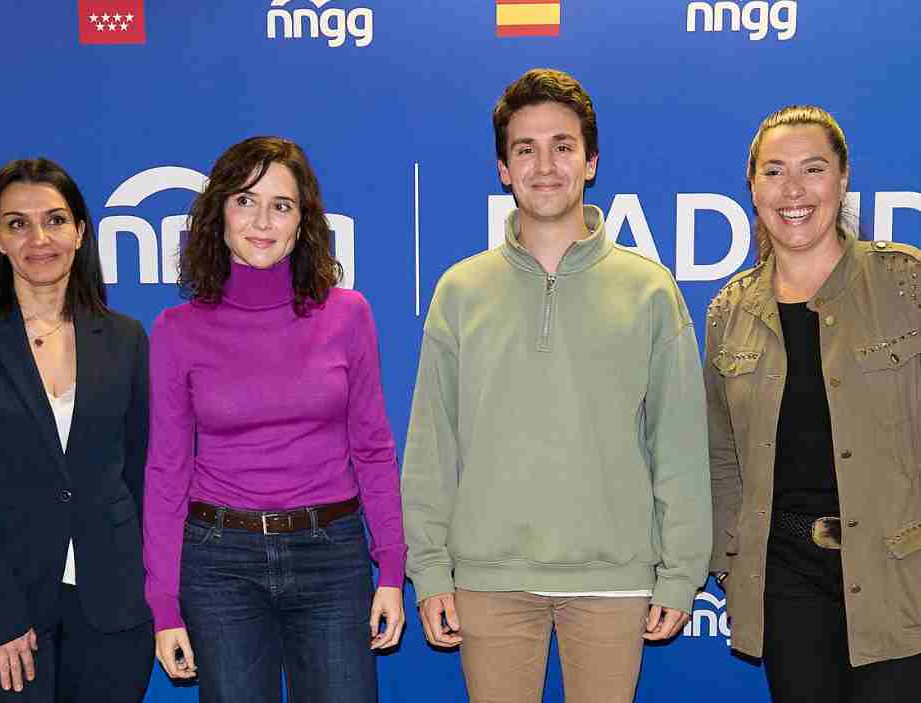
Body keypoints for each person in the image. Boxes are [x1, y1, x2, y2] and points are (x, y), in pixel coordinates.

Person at [402, 68, 712, 703]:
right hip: (489, 581)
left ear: (590, 161)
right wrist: (430, 569)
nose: (545, 165)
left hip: (613, 582)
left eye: (563, 146)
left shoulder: (650, 290)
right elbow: (432, 445)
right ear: (503, 168)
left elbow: (679, 447)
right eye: (525, 148)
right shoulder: (459, 292)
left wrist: (681, 574)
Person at [142, 136, 406, 703]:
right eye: (246, 200)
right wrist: (163, 604)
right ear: (219, 213)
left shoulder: (348, 315)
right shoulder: (176, 330)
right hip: (220, 566)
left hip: (331, 557)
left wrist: (391, 568)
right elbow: (166, 471)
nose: (263, 220)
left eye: (281, 205)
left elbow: (375, 450)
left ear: (302, 221)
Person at [706, 105, 921, 702]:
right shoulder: (730, 314)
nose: (794, 190)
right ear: (752, 187)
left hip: (900, 577)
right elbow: (720, 454)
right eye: (774, 171)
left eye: (813, 169)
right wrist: (733, 558)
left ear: (844, 179)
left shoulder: (907, 285)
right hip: (787, 585)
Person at [0, 158, 152, 702]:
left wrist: (145, 587)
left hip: (111, 608)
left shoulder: (125, 338)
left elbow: (142, 470)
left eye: (54, 219)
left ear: (80, 232)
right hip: (3, 610)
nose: (38, 238)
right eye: (17, 223)